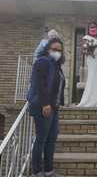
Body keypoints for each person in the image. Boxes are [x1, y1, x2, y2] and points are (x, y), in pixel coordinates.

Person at [27, 38, 65, 177]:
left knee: (51, 139)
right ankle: (37, 171)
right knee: (41, 139)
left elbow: (57, 86)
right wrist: (45, 104)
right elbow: (40, 84)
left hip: (53, 107)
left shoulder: (56, 65)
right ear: (48, 49)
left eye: (59, 50)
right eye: (54, 49)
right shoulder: (43, 61)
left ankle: (49, 170)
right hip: (43, 106)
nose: (57, 52)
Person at [77, 22, 97, 108]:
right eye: (91, 27)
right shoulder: (86, 37)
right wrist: (90, 51)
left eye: (94, 27)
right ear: (88, 29)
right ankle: (90, 100)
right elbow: (83, 51)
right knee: (92, 78)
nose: (92, 28)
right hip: (92, 60)